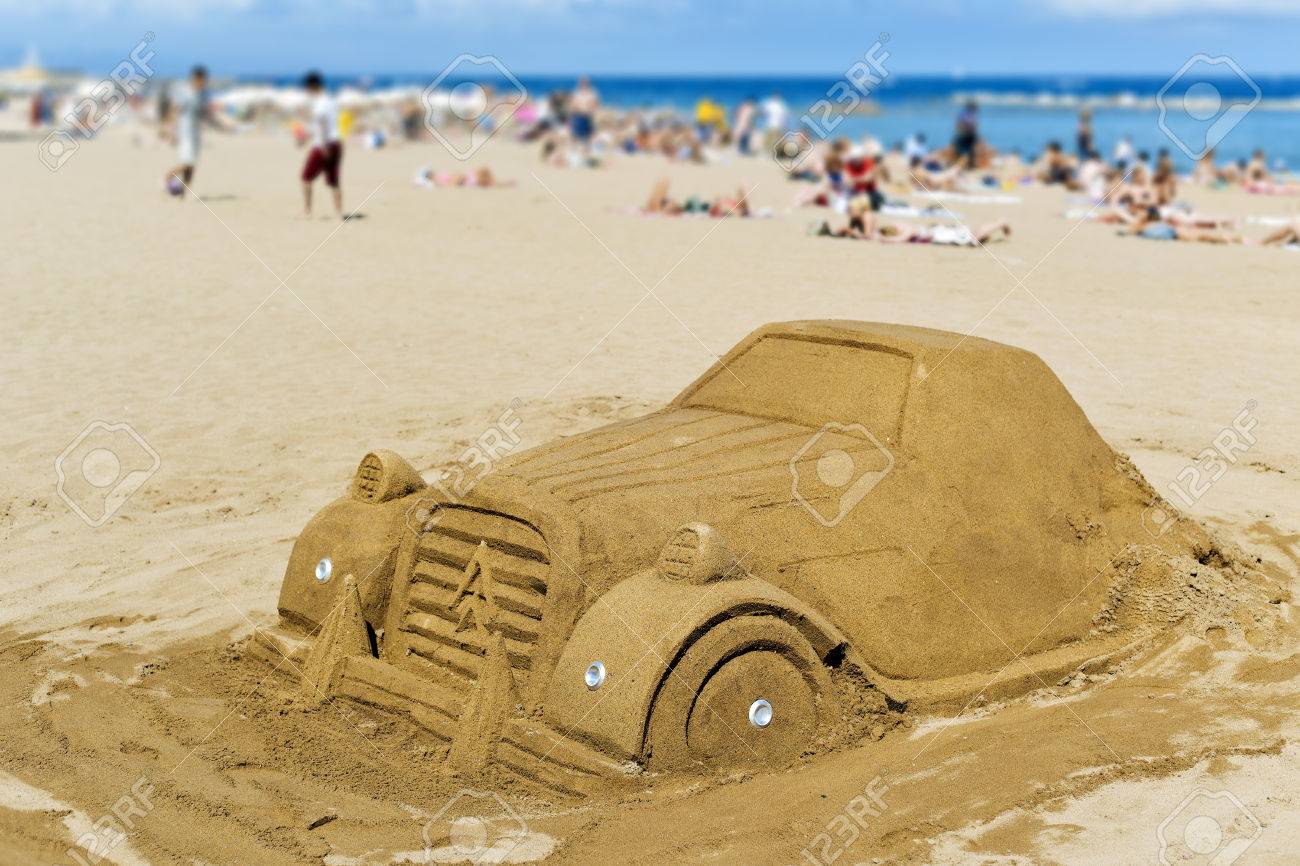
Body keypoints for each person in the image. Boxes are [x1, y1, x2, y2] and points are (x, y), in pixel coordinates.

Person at [163, 65, 222, 198]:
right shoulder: (184, 91)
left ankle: (183, 193)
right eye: (202, 80)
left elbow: (205, 113)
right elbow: (174, 109)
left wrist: (219, 125)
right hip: (184, 131)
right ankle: (168, 177)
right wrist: (170, 130)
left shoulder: (203, 93)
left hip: (196, 133)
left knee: (192, 164)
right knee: (187, 161)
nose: (203, 83)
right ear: (195, 78)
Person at [300, 70, 343, 219]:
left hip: (323, 144)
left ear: (313, 86)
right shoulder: (331, 100)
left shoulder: (320, 103)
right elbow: (327, 124)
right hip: (336, 142)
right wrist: (307, 136)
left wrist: (323, 145)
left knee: (306, 178)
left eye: (307, 88)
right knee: (334, 181)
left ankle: (307, 211)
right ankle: (339, 213)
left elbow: (323, 124)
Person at [569, 76, 599, 155]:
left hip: (588, 116)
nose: (584, 84)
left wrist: (588, 108)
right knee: (575, 135)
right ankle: (574, 151)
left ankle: (587, 151)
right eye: (582, 82)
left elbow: (595, 104)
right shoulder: (576, 92)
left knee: (588, 136)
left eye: (585, 82)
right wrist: (578, 108)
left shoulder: (592, 92)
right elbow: (573, 104)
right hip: (578, 115)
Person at [952, 100, 979, 169]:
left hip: (965, 134)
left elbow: (958, 125)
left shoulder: (964, 114)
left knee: (963, 150)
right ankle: (968, 165)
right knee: (968, 150)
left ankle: (962, 164)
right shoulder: (971, 115)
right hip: (966, 134)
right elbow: (973, 125)